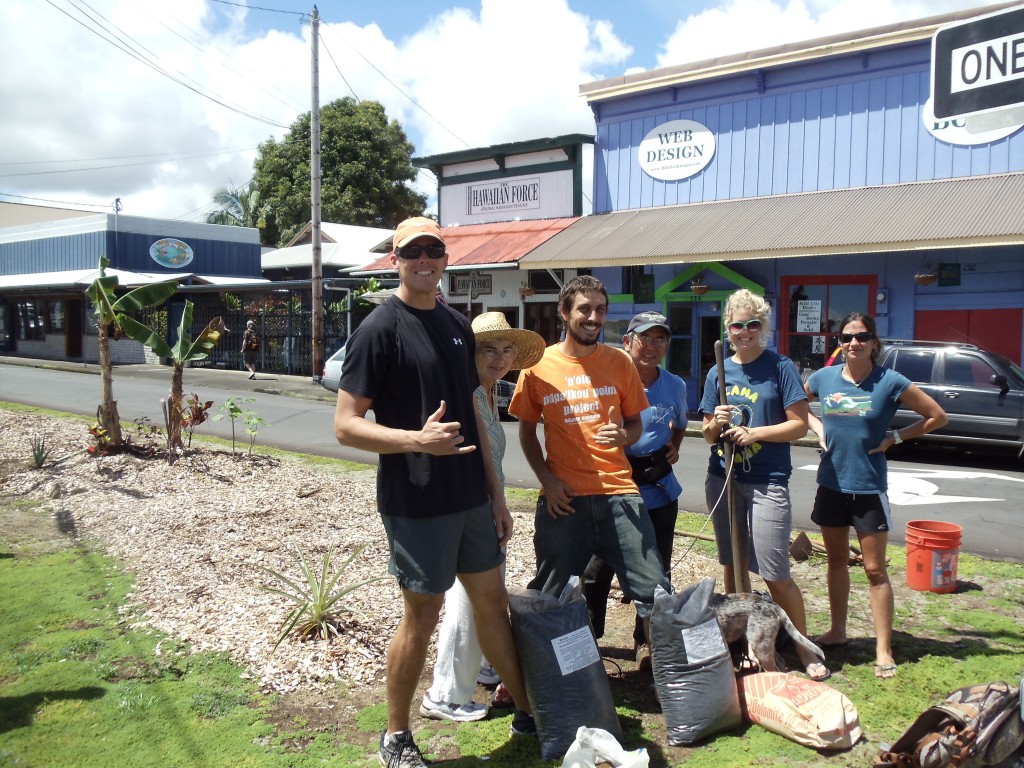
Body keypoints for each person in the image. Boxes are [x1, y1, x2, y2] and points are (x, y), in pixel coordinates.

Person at [333, 217, 534, 768]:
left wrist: (496, 494)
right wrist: (414, 440)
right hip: (417, 501)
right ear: (396, 258)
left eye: (434, 250)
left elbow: (472, 406)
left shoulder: (455, 325)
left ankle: (528, 712)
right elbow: (346, 424)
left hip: (470, 496)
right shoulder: (379, 329)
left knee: (493, 604)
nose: (425, 259)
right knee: (422, 617)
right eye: (413, 251)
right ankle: (396, 736)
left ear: (446, 259)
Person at [509, 275, 670, 646]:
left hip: (619, 493)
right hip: (564, 498)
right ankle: (540, 679)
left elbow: (633, 424)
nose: (593, 317)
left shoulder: (618, 362)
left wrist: (624, 436)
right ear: (564, 313)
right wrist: (548, 482)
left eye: (600, 310)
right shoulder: (537, 365)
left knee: (655, 589)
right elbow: (526, 433)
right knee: (548, 593)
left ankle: (670, 679)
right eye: (584, 309)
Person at [805, 312, 947, 680]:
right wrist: (817, 428)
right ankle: (837, 631)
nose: (853, 343)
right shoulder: (823, 378)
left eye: (861, 337)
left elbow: (936, 416)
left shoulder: (890, 381)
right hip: (831, 485)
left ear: (873, 342)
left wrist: (896, 437)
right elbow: (796, 405)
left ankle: (883, 648)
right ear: (839, 342)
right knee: (836, 562)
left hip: (868, 487)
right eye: (846, 337)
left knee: (874, 569)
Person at [698, 288, 829, 681]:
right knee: (733, 564)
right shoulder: (717, 371)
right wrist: (716, 424)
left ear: (762, 327)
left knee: (774, 570)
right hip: (723, 478)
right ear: (728, 327)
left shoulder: (780, 367)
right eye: (737, 325)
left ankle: (805, 647)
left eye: (752, 324)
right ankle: (744, 644)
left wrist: (755, 434)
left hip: (767, 481)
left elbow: (799, 424)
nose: (744, 332)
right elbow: (707, 434)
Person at [421, 312, 544, 722]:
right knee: (467, 600)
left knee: (485, 597)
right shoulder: (467, 393)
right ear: (471, 353)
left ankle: (486, 665)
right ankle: (445, 693)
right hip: (469, 506)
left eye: (507, 350)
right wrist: (495, 504)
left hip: (488, 504)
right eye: (489, 350)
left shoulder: (490, 392)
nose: (500, 358)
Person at [582, 311, 687, 669]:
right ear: (627, 342)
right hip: (614, 489)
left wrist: (674, 445)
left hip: (659, 491)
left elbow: (680, 425)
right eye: (645, 338)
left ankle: (646, 644)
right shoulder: (606, 380)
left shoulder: (675, 385)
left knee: (658, 573)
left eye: (660, 339)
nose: (652, 346)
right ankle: (590, 639)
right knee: (596, 571)